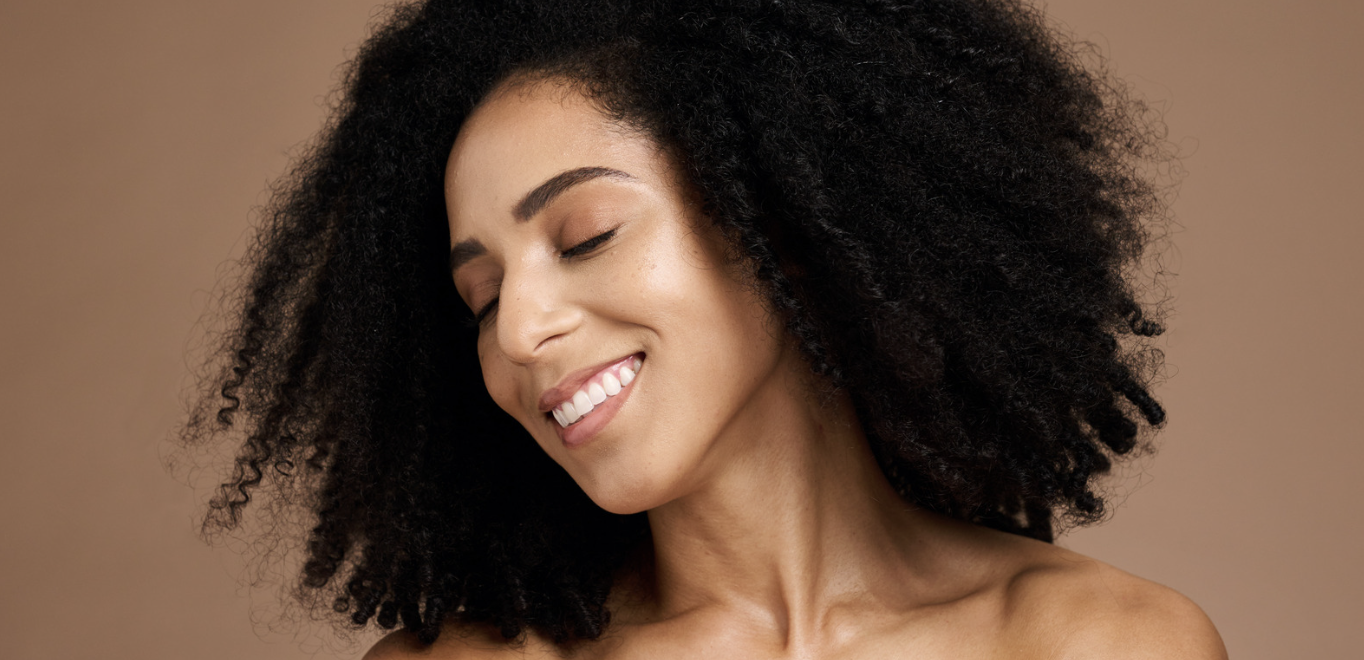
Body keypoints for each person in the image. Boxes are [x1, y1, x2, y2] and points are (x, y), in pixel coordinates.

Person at [183, 0, 1227, 657]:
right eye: (482, 297)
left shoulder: (1096, 645)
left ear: (784, 228)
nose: (519, 333)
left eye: (584, 233)